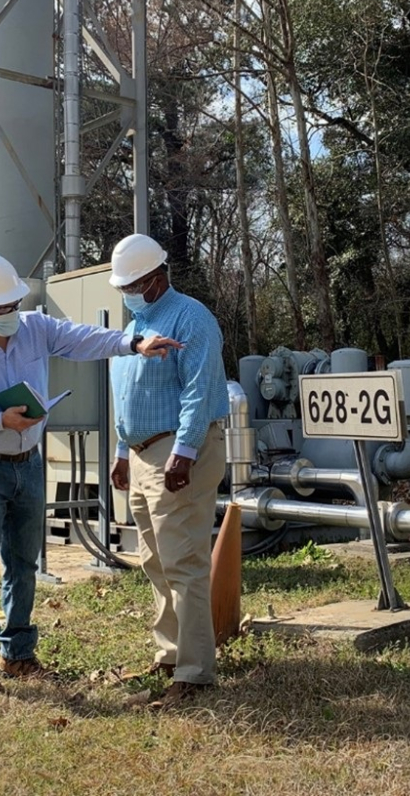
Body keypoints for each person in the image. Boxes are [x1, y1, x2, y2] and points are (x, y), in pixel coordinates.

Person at [0, 252, 179, 692]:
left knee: (24, 563)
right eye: (0, 309)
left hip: (28, 463)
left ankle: (19, 654)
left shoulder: (34, 329)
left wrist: (131, 343)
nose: (10, 316)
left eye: (14, 306)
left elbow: (80, 339)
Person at [107, 233, 230, 711]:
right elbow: (129, 395)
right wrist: (122, 451)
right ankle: (171, 655)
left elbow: (200, 390)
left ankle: (195, 673)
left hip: (178, 454)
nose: (126, 293)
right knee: (156, 562)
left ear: (156, 279)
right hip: (141, 455)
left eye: (132, 284)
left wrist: (184, 453)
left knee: (183, 562)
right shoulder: (136, 324)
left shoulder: (191, 317)